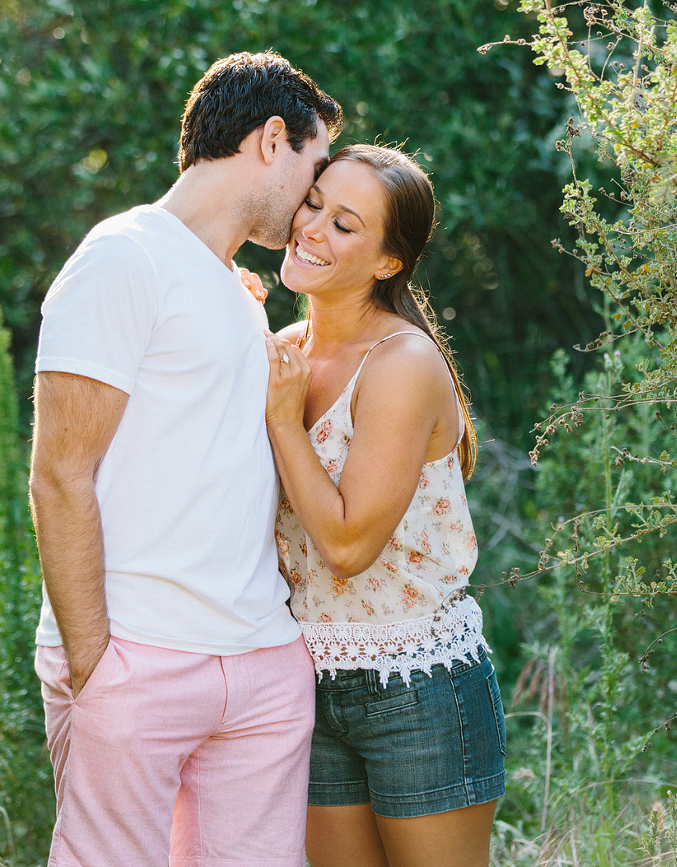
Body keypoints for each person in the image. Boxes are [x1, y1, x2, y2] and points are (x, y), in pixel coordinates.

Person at [27, 52, 341, 867]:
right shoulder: (121, 257)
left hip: (262, 664)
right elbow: (59, 474)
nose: (316, 197)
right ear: (272, 139)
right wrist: (97, 667)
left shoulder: (232, 288)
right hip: (138, 655)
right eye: (314, 165)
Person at [263, 144, 505, 867]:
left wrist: (281, 420)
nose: (311, 229)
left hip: (419, 689)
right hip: (307, 684)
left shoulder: (402, 364)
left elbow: (346, 545)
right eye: (313, 204)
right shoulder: (280, 350)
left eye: (345, 225)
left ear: (387, 263)